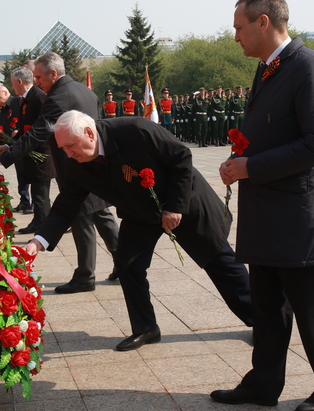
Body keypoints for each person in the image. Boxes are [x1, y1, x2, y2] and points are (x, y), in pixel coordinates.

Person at [213, 0, 314, 411]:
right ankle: (264, 382)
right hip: (268, 213)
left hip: (297, 215)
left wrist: (252, 167)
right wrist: (241, 159)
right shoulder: (268, 69)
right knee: (267, 306)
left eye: (239, 27)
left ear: (263, 22)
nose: (235, 37)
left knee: (309, 304)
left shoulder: (309, 67)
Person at [23, 111, 252, 351]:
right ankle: (145, 328)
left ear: (89, 133)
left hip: (182, 201)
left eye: (70, 146)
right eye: (63, 149)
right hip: (139, 213)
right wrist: (37, 242)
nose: (67, 154)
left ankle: (262, 321)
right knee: (128, 265)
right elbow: (65, 205)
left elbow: (180, 157)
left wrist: (174, 207)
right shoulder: (76, 163)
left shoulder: (135, 130)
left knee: (220, 262)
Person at [0, 52, 120, 293]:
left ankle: (85, 276)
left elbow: (38, 132)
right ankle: (124, 263)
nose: (36, 82)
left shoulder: (58, 97)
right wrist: (11, 146)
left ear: (53, 73)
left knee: (81, 217)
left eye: (38, 76)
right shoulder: (84, 90)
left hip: (75, 165)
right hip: (95, 162)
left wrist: (2, 158)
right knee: (101, 213)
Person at [9, 66, 55, 234]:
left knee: (41, 195)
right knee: (37, 194)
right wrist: (11, 145)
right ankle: (38, 221)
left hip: (41, 155)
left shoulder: (39, 97)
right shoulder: (28, 98)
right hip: (32, 154)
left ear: (20, 81)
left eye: (13, 83)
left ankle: (44, 230)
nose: (13, 87)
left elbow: (42, 129)